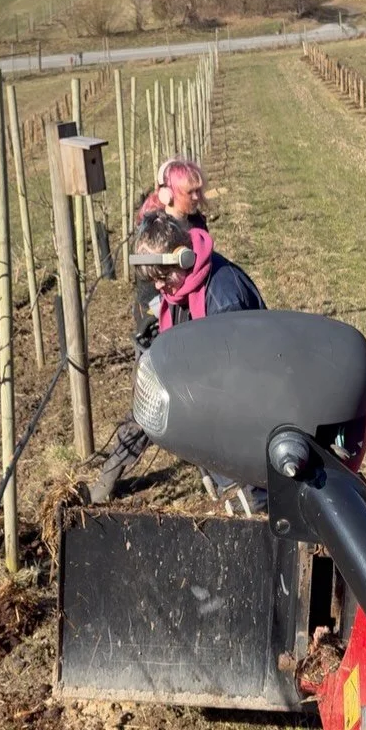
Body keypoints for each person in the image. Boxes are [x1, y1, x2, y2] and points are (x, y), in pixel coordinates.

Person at [88, 212, 267, 513]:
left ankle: (256, 501)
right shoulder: (184, 287)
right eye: (152, 279)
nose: (159, 287)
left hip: (245, 402)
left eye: (162, 277)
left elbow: (235, 382)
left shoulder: (224, 298)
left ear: (182, 258)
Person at [132, 158, 208, 352]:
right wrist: (155, 316)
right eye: (190, 192)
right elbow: (148, 282)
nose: (196, 197)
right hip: (158, 309)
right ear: (168, 195)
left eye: (198, 190)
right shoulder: (157, 232)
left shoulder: (197, 221)